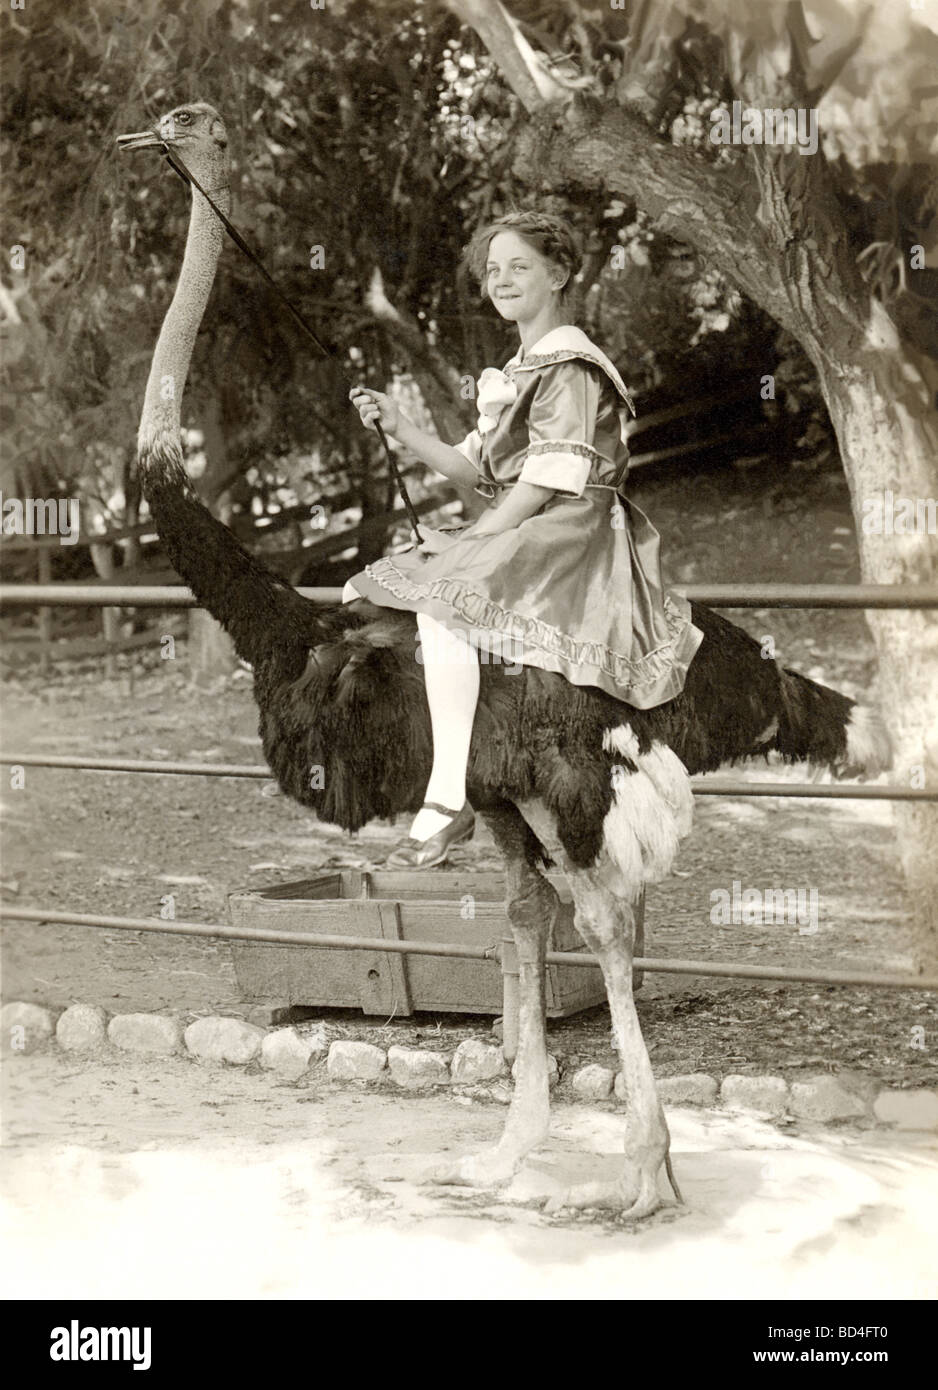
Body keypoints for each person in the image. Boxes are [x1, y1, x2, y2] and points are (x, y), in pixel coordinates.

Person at [345, 211, 703, 868]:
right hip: (533, 520)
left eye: (520, 267)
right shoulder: (522, 369)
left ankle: (448, 796)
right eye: (493, 270)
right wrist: (400, 427)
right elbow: (473, 467)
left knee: (445, 596)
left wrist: (476, 539)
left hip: (574, 526)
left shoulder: (571, 365)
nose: (502, 280)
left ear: (558, 274)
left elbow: (544, 481)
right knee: (373, 591)